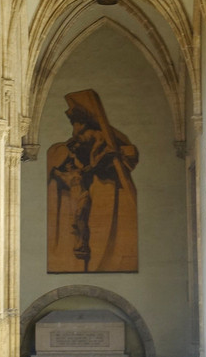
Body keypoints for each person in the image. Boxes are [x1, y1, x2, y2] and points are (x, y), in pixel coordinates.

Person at [47, 90, 138, 272]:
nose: (76, 132)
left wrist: (109, 156)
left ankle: (86, 249)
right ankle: (80, 246)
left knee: (90, 223)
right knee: (79, 217)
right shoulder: (71, 146)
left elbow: (125, 155)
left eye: (78, 124)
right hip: (82, 189)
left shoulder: (103, 137)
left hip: (103, 191)